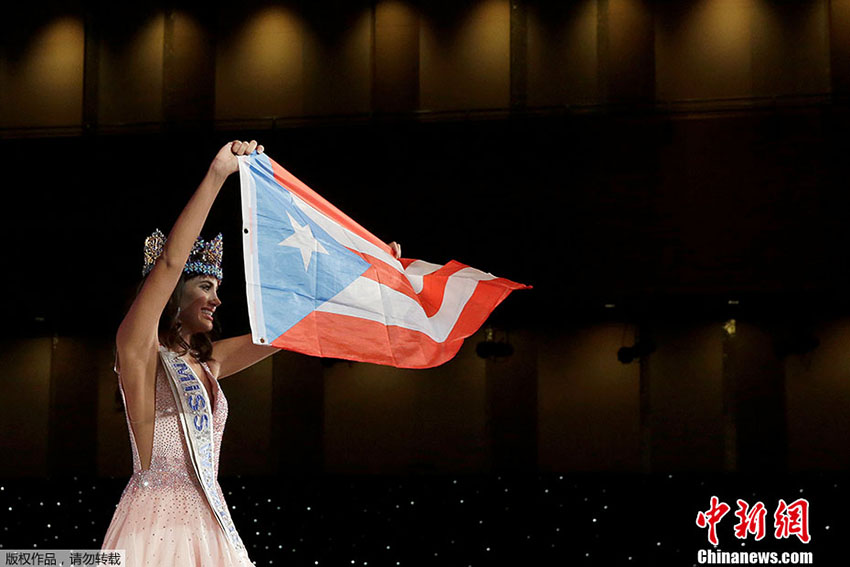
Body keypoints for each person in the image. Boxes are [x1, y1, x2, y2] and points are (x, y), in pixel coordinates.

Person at [101, 140, 278, 566]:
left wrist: (369, 284)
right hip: (155, 524)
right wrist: (218, 174)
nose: (217, 300)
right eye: (205, 287)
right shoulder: (138, 353)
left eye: (217, 289)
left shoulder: (209, 363)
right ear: (174, 294)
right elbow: (169, 263)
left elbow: (290, 331)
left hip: (210, 520)